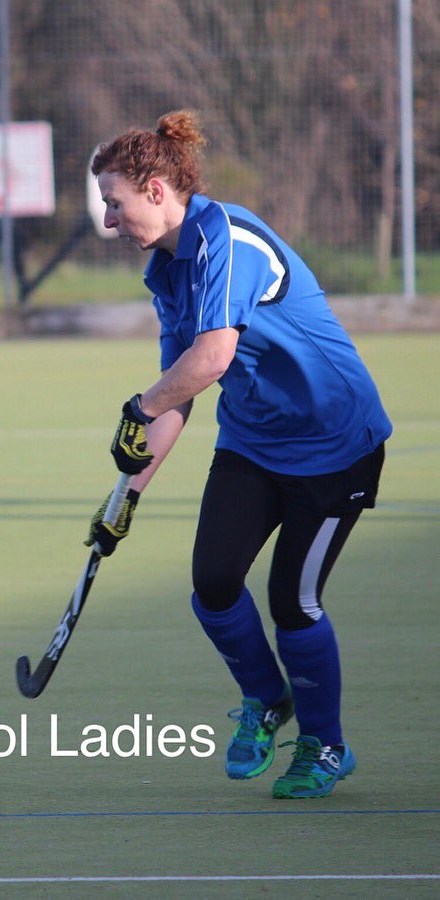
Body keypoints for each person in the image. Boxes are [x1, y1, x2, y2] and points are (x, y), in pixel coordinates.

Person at [86, 110, 391, 799]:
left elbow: (210, 356)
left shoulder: (229, 240)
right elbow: (179, 392)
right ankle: (266, 699)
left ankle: (324, 745)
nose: (108, 220)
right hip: (254, 442)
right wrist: (124, 500)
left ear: (156, 191)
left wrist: (139, 407)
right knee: (214, 584)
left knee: (293, 601)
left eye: (114, 202)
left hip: (334, 445)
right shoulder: (167, 271)